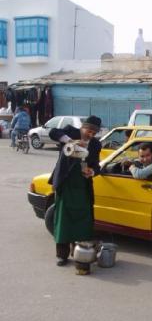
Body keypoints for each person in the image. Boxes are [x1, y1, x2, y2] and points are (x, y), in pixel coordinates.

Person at [48, 116, 102, 275]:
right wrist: (70, 141)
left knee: (83, 221)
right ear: (83, 127)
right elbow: (52, 132)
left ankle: (79, 253)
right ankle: (62, 255)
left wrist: (92, 172)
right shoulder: (71, 131)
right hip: (66, 183)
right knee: (63, 220)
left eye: (94, 132)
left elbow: (96, 166)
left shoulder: (96, 144)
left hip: (83, 186)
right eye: (88, 130)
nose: (90, 134)